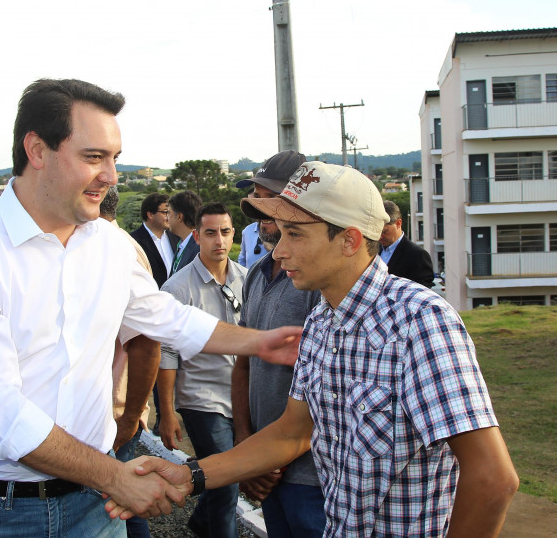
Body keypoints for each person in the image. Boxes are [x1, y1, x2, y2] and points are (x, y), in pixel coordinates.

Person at [0, 78, 301, 537]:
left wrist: (261, 343)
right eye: (94, 157)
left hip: (95, 507)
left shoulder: (109, 244)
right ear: (36, 151)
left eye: (114, 158)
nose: (112, 176)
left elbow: (165, 317)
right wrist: (115, 477)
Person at [122, 162, 519, 537]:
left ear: (349, 240)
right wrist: (191, 475)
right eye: (281, 233)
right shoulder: (321, 322)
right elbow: (292, 433)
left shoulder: (418, 321)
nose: (279, 251)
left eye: (295, 234)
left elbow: (492, 479)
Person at [231, 150, 326, 538]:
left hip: (311, 475)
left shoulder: (315, 280)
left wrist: (272, 460)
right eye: (256, 197)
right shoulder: (255, 274)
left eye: (270, 198)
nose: (259, 209)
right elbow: (243, 362)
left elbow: (326, 384)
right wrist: (246, 445)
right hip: (266, 466)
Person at [158, 202, 246, 538]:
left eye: (225, 232)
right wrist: (167, 412)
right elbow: (166, 353)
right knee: (226, 479)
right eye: (210, 233)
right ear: (196, 236)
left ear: (233, 234)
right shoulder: (177, 289)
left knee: (223, 475)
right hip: (201, 398)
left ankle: (200, 521)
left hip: (241, 397)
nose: (218, 240)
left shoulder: (247, 280)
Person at [100, 185, 158, 538]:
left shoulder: (116, 249)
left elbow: (147, 344)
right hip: (113, 410)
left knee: (120, 506)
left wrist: (129, 418)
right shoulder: (108, 244)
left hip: (115, 412)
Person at [379, 200, 434, 289]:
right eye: (377, 232)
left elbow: (422, 292)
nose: (380, 237)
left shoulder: (418, 256)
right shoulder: (372, 249)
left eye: (384, 232)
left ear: (398, 223)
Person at [130, 192, 174, 287]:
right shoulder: (133, 242)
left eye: (170, 212)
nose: (169, 217)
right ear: (150, 214)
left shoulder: (176, 236)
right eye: (165, 212)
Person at [167, 190, 202, 276]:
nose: (166, 218)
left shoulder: (200, 248)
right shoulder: (182, 243)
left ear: (179, 217)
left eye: (169, 213)